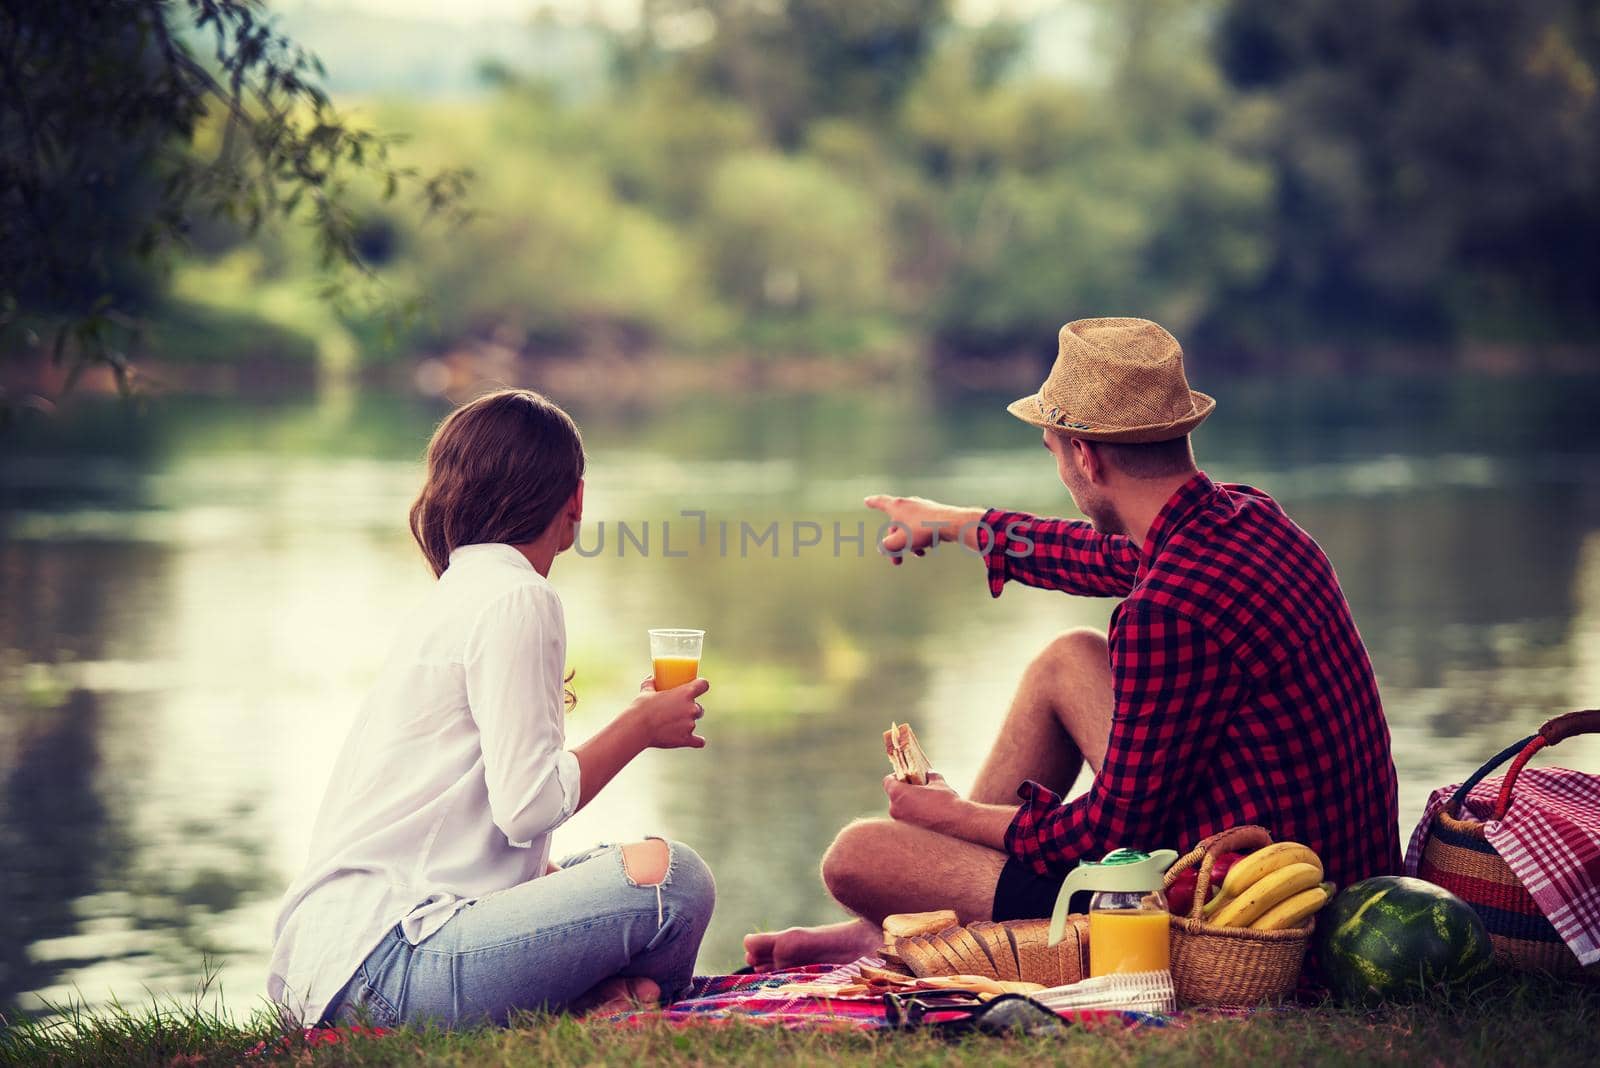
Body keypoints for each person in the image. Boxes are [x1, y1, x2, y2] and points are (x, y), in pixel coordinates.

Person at [745, 317, 1401, 970]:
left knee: (858, 856)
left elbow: (1113, 834)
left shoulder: (1167, 611)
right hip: (1331, 869)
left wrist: (955, 817)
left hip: (1249, 915)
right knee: (1069, 660)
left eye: (1052, 450)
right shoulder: (1248, 518)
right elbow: (1097, 554)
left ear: (1084, 456)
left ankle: (926, 924)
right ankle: (921, 917)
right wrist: (950, 523)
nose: (1059, 467)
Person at [268, 389, 716, 1027]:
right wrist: (638, 726)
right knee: (676, 882)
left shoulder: (461, 590)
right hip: (391, 966)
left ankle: (594, 999)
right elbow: (528, 807)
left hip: (336, 967)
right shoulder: (517, 595)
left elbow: (494, 829)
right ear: (576, 499)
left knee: (600, 865)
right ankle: (612, 1001)